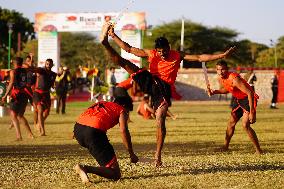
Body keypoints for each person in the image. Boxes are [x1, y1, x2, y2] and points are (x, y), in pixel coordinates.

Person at [103, 22, 235, 166]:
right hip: (149, 80)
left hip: (163, 88)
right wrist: (113, 35)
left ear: (169, 48)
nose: (162, 54)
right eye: (159, 51)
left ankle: (157, 156)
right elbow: (128, 48)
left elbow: (199, 57)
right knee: (124, 63)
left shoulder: (177, 55)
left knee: (160, 120)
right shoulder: (151, 53)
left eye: (164, 51)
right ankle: (106, 43)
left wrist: (222, 55)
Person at [73, 100, 138, 183]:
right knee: (115, 173)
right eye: (128, 112)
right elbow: (123, 130)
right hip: (92, 132)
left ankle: (86, 169)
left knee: (105, 155)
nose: (127, 116)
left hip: (78, 129)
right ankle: (84, 168)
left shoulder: (102, 103)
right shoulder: (122, 109)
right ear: (125, 106)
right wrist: (131, 153)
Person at [207, 60, 262, 154]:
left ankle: (258, 150)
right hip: (238, 100)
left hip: (248, 99)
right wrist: (214, 92)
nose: (220, 72)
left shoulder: (234, 78)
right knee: (231, 123)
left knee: (245, 125)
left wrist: (252, 112)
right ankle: (225, 147)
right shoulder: (222, 78)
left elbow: (249, 93)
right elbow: (227, 89)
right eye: (218, 69)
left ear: (227, 69)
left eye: (223, 69)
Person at [1, 57, 34, 140]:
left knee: (13, 115)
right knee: (20, 116)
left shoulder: (13, 71)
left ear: (14, 63)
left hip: (17, 94)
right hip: (24, 94)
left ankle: (19, 136)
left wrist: (5, 95)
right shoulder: (25, 70)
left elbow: (11, 83)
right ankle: (30, 134)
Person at [32, 59, 57, 136]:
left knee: (47, 112)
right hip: (37, 93)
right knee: (40, 110)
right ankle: (42, 131)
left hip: (46, 94)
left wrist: (54, 87)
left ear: (52, 65)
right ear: (45, 64)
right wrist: (32, 60)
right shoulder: (41, 70)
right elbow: (34, 69)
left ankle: (39, 124)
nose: (48, 65)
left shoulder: (54, 74)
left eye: (49, 64)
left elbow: (52, 85)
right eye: (47, 63)